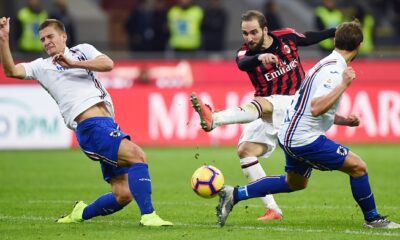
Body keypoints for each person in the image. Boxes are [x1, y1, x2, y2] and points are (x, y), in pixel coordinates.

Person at [215, 20, 400, 229]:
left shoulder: (325, 63)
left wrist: (342, 120)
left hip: (290, 133)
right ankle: (373, 218)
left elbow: (304, 104)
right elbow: (315, 107)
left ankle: (234, 194)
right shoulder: (334, 71)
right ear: (359, 46)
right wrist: (344, 84)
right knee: (358, 167)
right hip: (304, 138)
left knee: (294, 183)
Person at [0, 17, 172, 227]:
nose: (46, 42)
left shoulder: (83, 50)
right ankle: (149, 215)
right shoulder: (41, 66)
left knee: (123, 194)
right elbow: (11, 71)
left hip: (109, 125)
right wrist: (3, 39)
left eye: (50, 36)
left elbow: (108, 64)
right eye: (43, 39)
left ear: (64, 37)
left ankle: (81, 212)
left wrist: (74, 64)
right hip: (90, 128)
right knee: (138, 156)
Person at [191, 10, 336, 221]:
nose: (249, 38)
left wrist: (334, 31)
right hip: (272, 111)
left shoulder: (286, 37)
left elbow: (308, 38)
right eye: (245, 33)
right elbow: (243, 63)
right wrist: (260, 56)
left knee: (262, 104)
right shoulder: (244, 53)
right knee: (245, 151)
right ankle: (273, 209)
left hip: (296, 105)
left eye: (253, 33)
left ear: (265, 30)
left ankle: (215, 119)